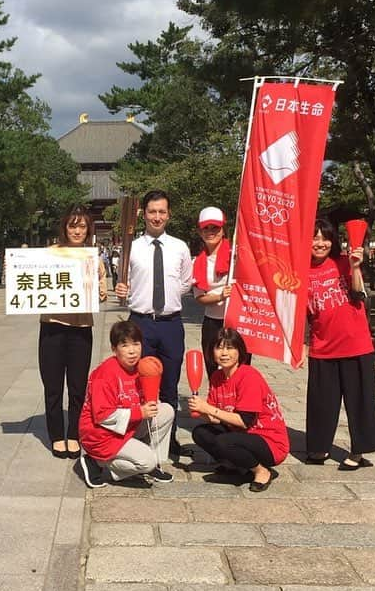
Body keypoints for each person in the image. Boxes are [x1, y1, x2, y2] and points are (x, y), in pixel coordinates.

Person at [114, 190, 192, 461]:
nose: (157, 217)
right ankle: (142, 435)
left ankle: (168, 438)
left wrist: (168, 299)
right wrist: (122, 289)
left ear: (169, 214)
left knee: (170, 382)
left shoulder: (180, 247)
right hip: (141, 323)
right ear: (143, 214)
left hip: (171, 324)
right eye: (152, 212)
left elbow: (185, 282)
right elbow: (123, 283)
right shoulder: (131, 247)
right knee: (141, 383)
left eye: (162, 212)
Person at [303, 217, 375, 470]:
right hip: (322, 345)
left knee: (360, 400)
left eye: (325, 238)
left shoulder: (343, 263)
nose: (320, 243)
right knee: (320, 401)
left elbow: (359, 295)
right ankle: (318, 446)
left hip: (355, 344)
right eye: (314, 238)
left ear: (333, 241)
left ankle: (359, 451)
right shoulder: (299, 271)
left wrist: (356, 267)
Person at [39, 205, 107, 458]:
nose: (77, 231)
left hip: (81, 329)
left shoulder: (93, 257)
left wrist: (98, 291)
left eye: (82, 226)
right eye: (72, 225)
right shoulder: (50, 254)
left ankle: (74, 434)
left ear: (88, 229)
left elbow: (101, 291)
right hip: (51, 328)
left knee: (78, 386)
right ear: (64, 227)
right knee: (53, 384)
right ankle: (57, 434)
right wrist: (13, 267)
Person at [188, 328, 289, 492]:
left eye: (230, 348)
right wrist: (201, 411)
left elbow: (244, 421)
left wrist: (208, 409)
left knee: (224, 442)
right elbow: (216, 419)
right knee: (201, 433)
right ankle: (237, 465)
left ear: (240, 351)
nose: (224, 353)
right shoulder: (216, 377)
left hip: (268, 441)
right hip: (242, 435)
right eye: (219, 348)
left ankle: (261, 471)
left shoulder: (249, 376)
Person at [78, 320, 174, 488]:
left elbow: (144, 401)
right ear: (114, 349)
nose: (132, 351)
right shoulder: (105, 374)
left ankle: (153, 464)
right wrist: (140, 413)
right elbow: (102, 416)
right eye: (125, 345)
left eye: (136, 344)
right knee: (146, 461)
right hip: (101, 434)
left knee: (166, 411)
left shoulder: (141, 368)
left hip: (126, 426)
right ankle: (96, 461)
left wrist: (150, 403)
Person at [192, 206, 246, 380]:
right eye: (206, 228)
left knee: (240, 368)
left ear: (223, 230)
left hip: (237, 322)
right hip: (212, 323)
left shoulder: (236, 255)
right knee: (213, 367)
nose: (210, 232)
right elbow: (200, 297)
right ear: (200, 231)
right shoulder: (198, 262)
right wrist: (220, 296)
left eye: (215, 228)